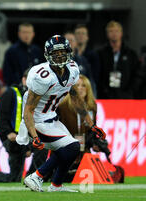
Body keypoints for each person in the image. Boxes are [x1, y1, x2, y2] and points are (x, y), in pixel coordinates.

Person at [16, 35, 106, 192]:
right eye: (55, 53)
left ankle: (56, 185)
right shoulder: (42, 77)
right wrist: (34, 136)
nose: (59, 56)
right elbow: (28, 110)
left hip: (51, 118)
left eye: (62, 52)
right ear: (47, 55)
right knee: (72, 146)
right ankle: (36, 176)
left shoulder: (73, 71)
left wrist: (91, 124)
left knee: (71, 150)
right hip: (36, 122)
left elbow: (75, 97)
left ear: (69, 53)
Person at [0, 69, 48, 183]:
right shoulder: (11, 93)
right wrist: (7, 133)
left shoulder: (37, 98)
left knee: (41, 148)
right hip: (13, 139)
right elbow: (0, 117)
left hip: (27, 138)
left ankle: (32, 177)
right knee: (14, 178)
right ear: (24, 80)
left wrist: (29, 147)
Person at [97, 20, 141, 99]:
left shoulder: (131, 54)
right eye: (111, 31)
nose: (114, 33)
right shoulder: (101, 53)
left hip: (126, 96)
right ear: (107, 34)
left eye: (117, 31)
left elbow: (137, 74)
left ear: (121, 33)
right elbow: (97, 74)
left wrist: (130, 91)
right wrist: (103, 90)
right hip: (106, 96)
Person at [2, 23, 44, 87]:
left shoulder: (37, 51)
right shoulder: (11, 52)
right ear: (19, 34)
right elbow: (7, 74)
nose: (26, 35)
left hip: (36, 88)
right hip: (17, 87)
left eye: (29, 32)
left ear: (33, 34)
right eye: (24, 32)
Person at [63, 31, 96, 96]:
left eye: (71, 40)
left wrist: (93, 97)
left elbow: (90, 81)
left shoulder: (83, 61)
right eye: (66, 41)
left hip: (80, 97)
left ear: (76, 43)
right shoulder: (55, 63)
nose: (69, 43)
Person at [74, 24, 100, 88]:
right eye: (78, 33)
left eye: (83, 33)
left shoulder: (94, 55)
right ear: (74, 36)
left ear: (87, 37)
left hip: (89, 88)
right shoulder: (70, 56)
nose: (80, 36)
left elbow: (96, 76)